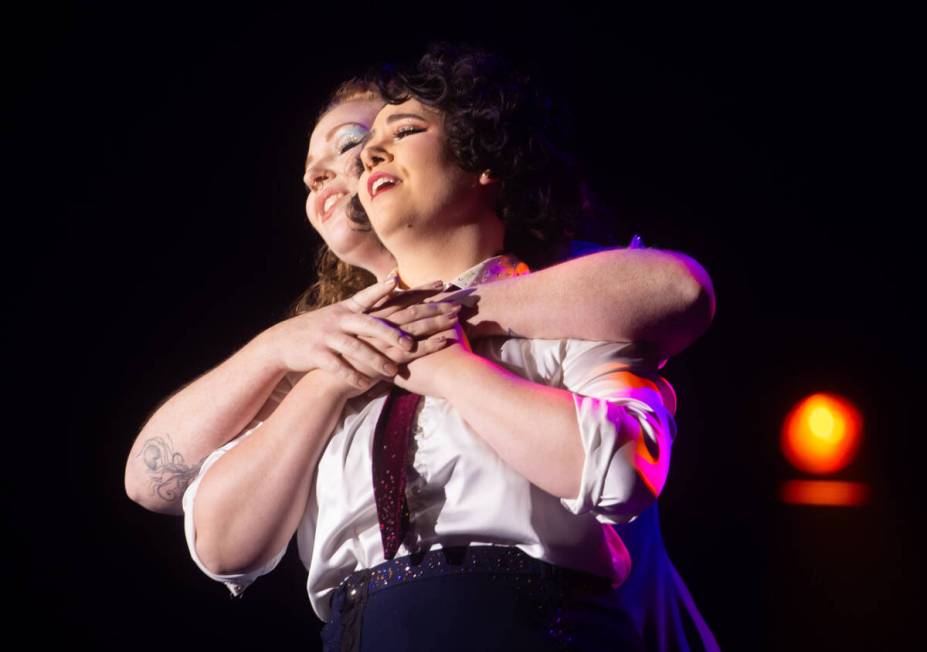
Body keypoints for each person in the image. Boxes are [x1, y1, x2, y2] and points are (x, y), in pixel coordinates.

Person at [129, 54, 716, 649]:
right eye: (314, 171)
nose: (350, 166)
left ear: (479, 150)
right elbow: (168, 495)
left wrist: (448, 336)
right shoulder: (320, 358)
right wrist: (286, 354)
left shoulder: (570, 299)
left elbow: (675, 295)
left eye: (365, 140)